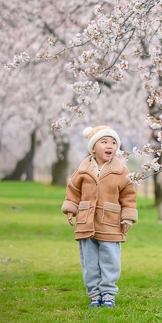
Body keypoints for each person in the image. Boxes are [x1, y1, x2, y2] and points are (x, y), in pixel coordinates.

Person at [62, 125, 138, 308]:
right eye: (104, 142)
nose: (109, 146)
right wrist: (71, 209)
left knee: (110, 259)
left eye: (113, 142)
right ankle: (94, 293)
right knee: (89, 261)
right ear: (93, 147)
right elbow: (73, 191)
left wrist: (127, 217)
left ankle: (108, 292)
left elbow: (129, 195)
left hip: (110, 223)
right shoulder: (82, 170)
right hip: (86, 221)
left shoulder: (121, 172)